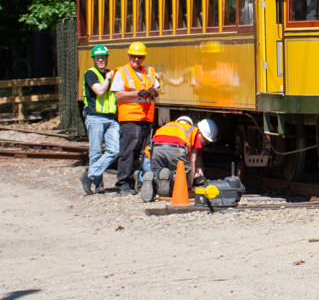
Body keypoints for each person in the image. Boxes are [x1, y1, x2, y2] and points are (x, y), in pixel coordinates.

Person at [111, 41, 160, 195]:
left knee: (141, 151)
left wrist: (153, 91)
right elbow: (118, 95)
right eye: (134, 56)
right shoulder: (122, 72)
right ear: (128, 55)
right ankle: (122, 183)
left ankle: (134, 182)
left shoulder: (149, 71)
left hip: (146, 117)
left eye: (139, 57)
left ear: (143, 57)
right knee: (128, 151)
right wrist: (137, 93)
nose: (136, 59)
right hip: (130, 117)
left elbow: (157, 89)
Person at [139, 116, 217, 202]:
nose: (205, 144)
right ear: (200, 133)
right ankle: (170, 186)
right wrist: (189, 186)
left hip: (156, 147)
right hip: (176, 148)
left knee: (158, 173)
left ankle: (151, 181)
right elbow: (193, 161)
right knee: (180, 175)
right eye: (206, 141)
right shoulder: (194, 132)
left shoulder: (169, 125)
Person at [79, 45, 119, 195]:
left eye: (103, 57)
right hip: (95, 117)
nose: (101, 60)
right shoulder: (91, 73)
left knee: (115, 150)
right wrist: (108, 79)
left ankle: (89, 175)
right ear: (94, 60)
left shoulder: (110, 73)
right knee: (95, 153)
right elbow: (100, 91)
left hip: (110, 117)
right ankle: (98, 184)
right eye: (98, 58)